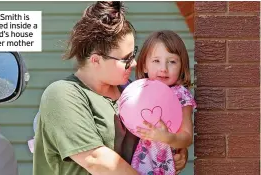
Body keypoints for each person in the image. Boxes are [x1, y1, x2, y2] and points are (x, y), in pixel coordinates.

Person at [33, 2, 188, 175]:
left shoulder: (132, 91)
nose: (134, 63)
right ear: (96, 60)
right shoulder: (62, 94)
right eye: (126, 59)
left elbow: (163, 134)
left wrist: (176, 151)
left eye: (134, 54)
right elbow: (97, 161)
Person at [129, 30, 197, 175]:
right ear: (145, 66)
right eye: (156, 61)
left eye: (172, 62)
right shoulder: (136, 92)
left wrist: (166, 137)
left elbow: (187, 137)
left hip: (161, 167)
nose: (163, 69)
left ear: (181, 67)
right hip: (134, 165)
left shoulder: (181, 95)